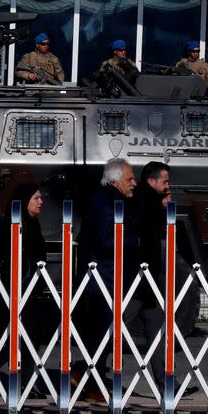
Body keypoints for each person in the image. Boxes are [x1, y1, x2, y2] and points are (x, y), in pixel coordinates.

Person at [0, 183, 51, 398]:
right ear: (25, 199)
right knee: (27, 335)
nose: (41, 202)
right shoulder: (14, 224)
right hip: (18, 287)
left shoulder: (32, 224)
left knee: (26, 335)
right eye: (36, 198)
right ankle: (23, 382)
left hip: (31, 287)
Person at [74, 158, 140, 400]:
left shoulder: (109, 199)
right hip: (101, 279)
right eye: (129, 178)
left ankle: (92, 377)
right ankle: (91, 381)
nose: (134, 183)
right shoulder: (105, 201)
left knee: (102, 332)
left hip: (105, 277)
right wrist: (135, 240)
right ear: (114, 181)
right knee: (100, 332)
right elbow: (107, 241)